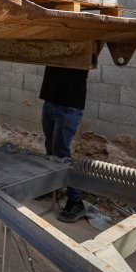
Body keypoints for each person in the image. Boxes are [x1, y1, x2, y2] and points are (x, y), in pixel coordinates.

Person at [39, 65, 89, 223]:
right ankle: (52, 188)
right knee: (51, 150)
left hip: (69, 105)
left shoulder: (85, 51)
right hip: (50, 101)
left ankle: (76, 201)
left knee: (61, 153)